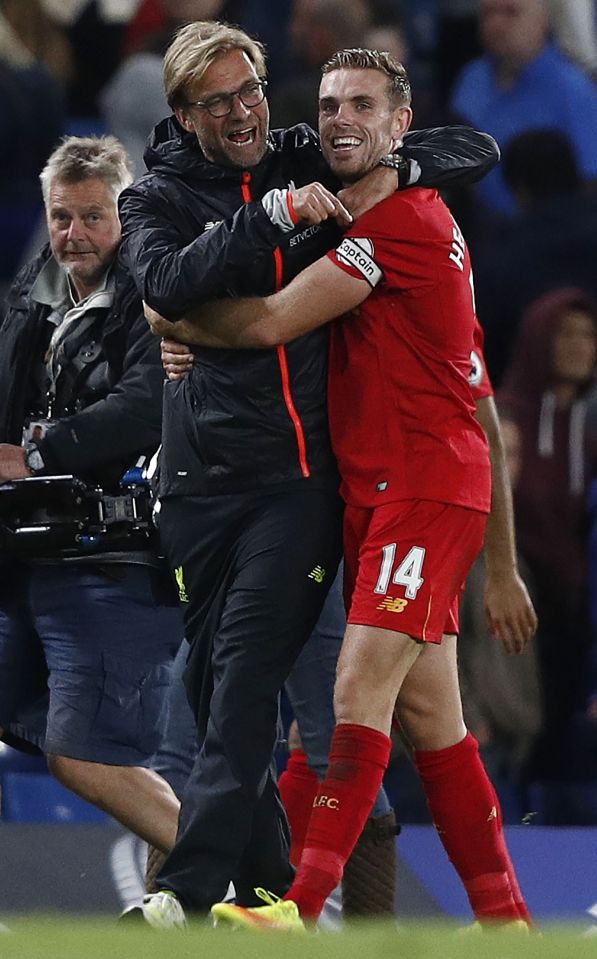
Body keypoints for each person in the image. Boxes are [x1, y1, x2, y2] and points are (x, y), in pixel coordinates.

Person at [117, 19, 500, 927]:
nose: (249, 111)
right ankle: (271, 892)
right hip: (208, 482)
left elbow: (467, 147)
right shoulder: (155, 197)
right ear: (183, 113)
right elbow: (164, 281)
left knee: (285, 688)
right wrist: (265, 223)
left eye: (253, 89)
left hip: (307, 483)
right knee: (236, 700)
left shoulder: (308, 157)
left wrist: (391, 171)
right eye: (221, 101)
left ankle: (199, 893)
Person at [0, 135, 183, 853]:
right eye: (60, 217)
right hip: (29, 556)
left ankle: (238, 878)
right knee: (83, 751)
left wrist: (38, 451)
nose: (73, 234)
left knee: (87, 755)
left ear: (124, 218)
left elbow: (148, 407)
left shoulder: (155, 299)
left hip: (115, 561)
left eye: (91, 217)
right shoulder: (32, 299)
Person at [449, 0, 597, 218]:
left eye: (511, 13)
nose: (497, 24)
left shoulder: (573, 90)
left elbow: (590, 182)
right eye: (489, 13)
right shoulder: (470, 80)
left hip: (549, 233)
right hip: (475, 228)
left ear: (543, 21)